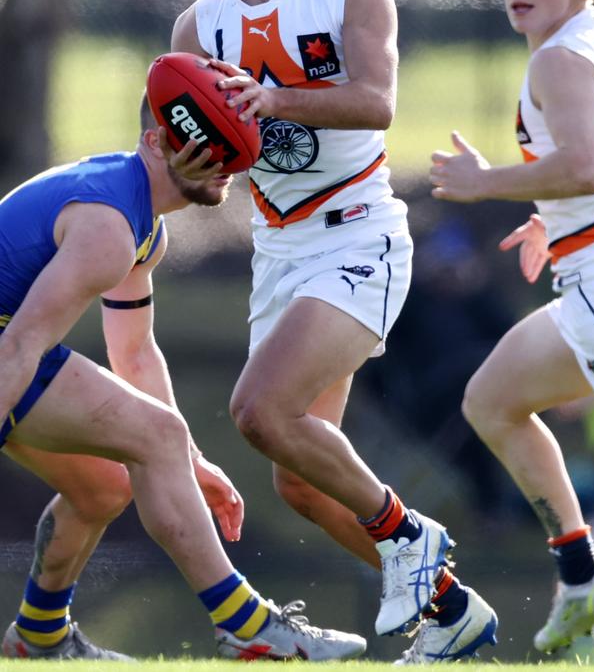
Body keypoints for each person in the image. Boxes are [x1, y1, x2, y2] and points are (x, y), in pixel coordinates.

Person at [162, 0, 498, 663]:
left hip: (359, 235)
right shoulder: (194, 31)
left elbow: (377, 101)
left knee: (255, 409)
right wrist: (199, 169)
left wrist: (270, 102)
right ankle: (453, 609)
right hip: (278, 252)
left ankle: (407, 534)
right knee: (301, 484)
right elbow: (203, 182)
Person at [0, 92, 367, 662]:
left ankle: (38, 638)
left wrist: (190, 459)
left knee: (106, 483)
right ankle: (247, 627)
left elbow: (135, 352)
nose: (228, 161)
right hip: (9, 351)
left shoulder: (142, 228)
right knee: (155, 437)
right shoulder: (110, 228)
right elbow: (20, 345)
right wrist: (170, 444)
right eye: (213, 143)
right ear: (155, 143)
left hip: (12, 349)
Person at [429, 0, 594, 653]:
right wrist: (552, 221)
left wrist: (486, 181)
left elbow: (588, 166)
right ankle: (584, 575)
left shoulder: (559, 57)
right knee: (490, 401)